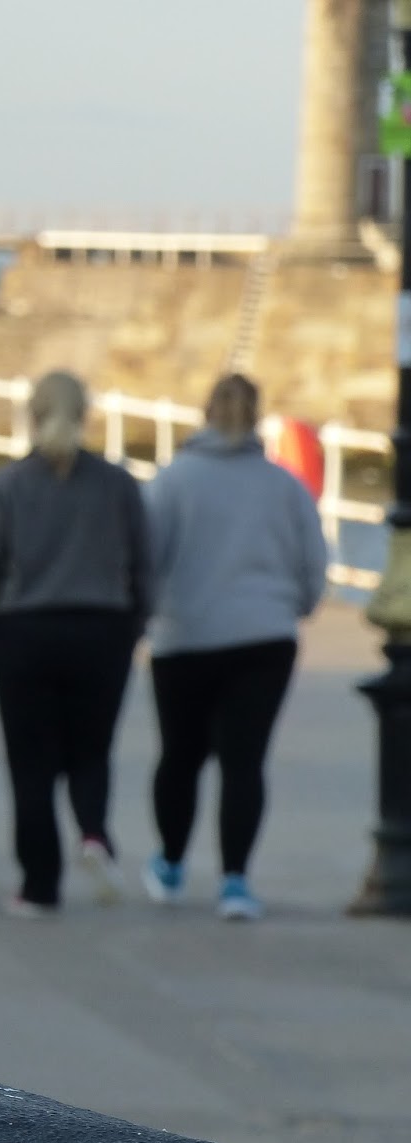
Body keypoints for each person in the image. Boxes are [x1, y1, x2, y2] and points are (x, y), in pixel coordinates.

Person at [0, 371, 151, 917]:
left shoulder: (8, 486)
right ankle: (93, 834)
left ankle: (39, 886)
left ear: (33, 415)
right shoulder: (118, 484)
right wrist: (134, 622)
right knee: (92, 749)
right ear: (85, 414)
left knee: (31, 765)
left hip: (24, 635)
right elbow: (144, 563)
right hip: (102, 632)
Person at [142, 373, 327, 920]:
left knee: (181, 756)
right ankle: (235, 881)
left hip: (186, 638)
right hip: (265, 638)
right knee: (244, 761)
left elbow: (149, 560)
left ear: (205, 413)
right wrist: (295, 606)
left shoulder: (172, 481)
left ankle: (172, 863)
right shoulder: (284, 485)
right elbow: (313, 563)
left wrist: (153, 614)